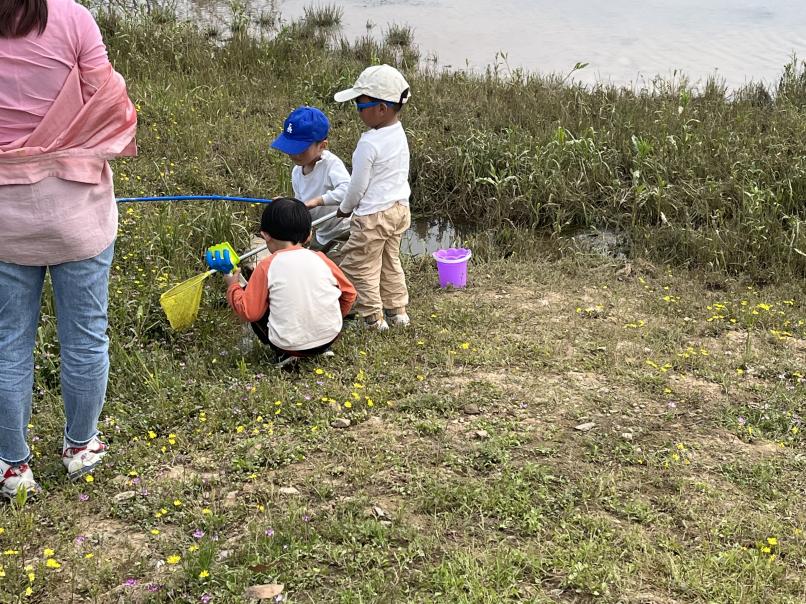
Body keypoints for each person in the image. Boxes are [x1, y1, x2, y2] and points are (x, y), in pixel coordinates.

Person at [0, 0, 137, 498]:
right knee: (85, 334)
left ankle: (13, 468)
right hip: (77, 210)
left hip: (4, 221)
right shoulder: (74, 18)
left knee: (8, 341)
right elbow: (109, 103)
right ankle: (80, 447)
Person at [207, 198, 356, 368]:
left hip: (290, 345)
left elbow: (250, 312)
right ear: (309, 235)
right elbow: (349, 294)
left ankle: (284, 354)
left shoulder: (266, 266)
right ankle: (321, 347)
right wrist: (333, 316)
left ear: (265, 236)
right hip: (330, 336)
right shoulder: (320, 258)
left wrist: (233, 285)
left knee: (252, 295)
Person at [333, 64, 412, 331]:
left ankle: (373, 319)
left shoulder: (368, 143)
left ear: (381, 108)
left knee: (359, 265)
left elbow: (357, 186)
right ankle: (397, 311)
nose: (357, 111)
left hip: (373, 216)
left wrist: (345, 209)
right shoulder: (398, 133)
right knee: (390, 261)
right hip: (399, 209)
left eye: (360, 105)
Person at [269, 106, 351, 255]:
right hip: (322, 234)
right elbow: (302, 205)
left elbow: (348, 191)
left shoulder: (331, 164)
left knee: (334, 268)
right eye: (290, 147)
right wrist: (288, 205)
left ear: (322, 146)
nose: (294, 154)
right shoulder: (297, 172)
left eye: (300, 148)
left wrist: (318, 201)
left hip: (344, 231)